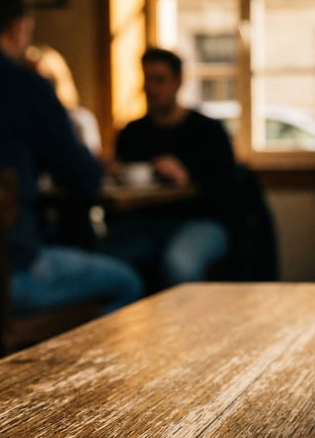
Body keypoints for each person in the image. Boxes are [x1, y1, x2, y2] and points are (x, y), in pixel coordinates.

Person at [0, 0, 143, 316]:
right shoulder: (24, 88)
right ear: (17, 29)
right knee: (127, 283)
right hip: (5, 276)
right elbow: (84, 178)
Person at [101, 47, 236, 290]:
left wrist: (187, 177)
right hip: (145, 221)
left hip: (201, 220)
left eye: (160, 80)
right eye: (147, 79)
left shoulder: (207, 131)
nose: (152, 88)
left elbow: (227, 188)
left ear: (178, 82)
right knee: (105, 262)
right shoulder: (132, 132)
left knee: (178, 264)